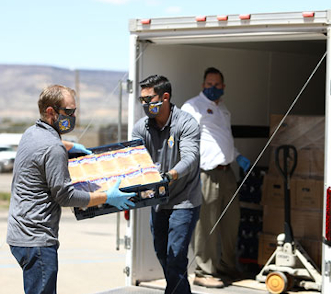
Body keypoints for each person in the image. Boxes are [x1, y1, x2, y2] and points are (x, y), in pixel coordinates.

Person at [7, 84, 136, 294]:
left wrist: (69, 146)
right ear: (51, 112)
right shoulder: (53, 147)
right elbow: (65, 196)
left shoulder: (30, 134)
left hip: (19, 235)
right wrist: (106, 196)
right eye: (69, 112)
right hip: (37, 240)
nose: (73, 116)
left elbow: (47, 147)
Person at [132, 75, 202, 294]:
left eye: (149, 99)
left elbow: (191, 158)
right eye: (141, 100)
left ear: (165, 97)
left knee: (175, 256)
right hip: (158, 201)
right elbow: (133, 160)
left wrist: (170, 175)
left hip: (184, 200)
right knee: (163, 254)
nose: (145, 105)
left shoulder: (186, 122)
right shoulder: (140, 128)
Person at [182, 67, 251, 288]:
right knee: (206, 223)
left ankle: (226, 266)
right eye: (209, 84)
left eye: (217, 85)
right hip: (206, 173)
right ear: (203, 85)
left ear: (223, 87)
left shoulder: (223, 109)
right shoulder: (193, 107)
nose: (213, 88)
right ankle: (204, 270)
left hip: (227, 172)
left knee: (231, 221)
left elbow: (224, 139)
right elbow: (185, 139)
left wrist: (237, 156)